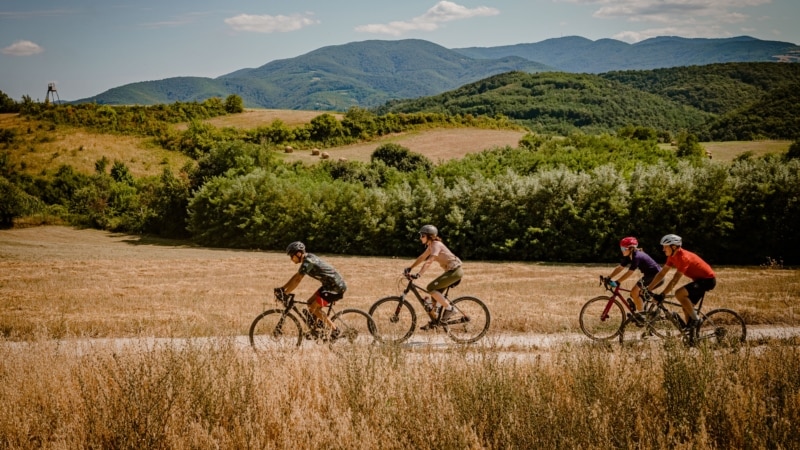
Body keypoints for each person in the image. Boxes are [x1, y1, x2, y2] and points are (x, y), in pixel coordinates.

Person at [278, 241, 347, 339]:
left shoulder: (309, 261)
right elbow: (297, 276)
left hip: (335, 287)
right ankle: (316, 329)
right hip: (329, 286)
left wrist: (285, 293)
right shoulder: (307, 259)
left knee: (313, 308)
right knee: (309, 302)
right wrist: (282, 288)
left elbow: (298, 280)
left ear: (298, 253)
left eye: (291, 256)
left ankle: (335, 330)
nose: (291, 259)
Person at [647, 234, 716, 330]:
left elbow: (675, 279)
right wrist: (648, 288)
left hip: (707, 281)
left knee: (679, 293)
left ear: (674, 247)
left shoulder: (684, 257)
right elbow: (662, 273)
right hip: (699, 281)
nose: (663, 249)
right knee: (686, 308)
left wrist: (662, 294)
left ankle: (697, 320)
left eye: (665, 247)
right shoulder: (672, 256)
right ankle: (691, 335)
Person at [405, 224, 463, 330]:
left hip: (455, 271)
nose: (420, 238)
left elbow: (429, 261)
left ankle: (450, 309)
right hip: (451, 271)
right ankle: (435, 321)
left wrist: (419, 274)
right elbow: (422, 257)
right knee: (434, 295)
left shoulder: (436, 244)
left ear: (429, 236)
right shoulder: (431, 246)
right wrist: (410, 267)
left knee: (430, 288)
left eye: (422, 235)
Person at [606, 236, 662, 317]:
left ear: (631, 248)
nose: (622, 251)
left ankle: (641, 316)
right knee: (634, 294)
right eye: (621, 248)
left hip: (656, 276)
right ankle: (642, 313)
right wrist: (609, 277)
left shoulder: (637, 256)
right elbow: (620, 267)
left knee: (634, 292)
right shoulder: (630, 255)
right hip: (650, 276)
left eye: (624, 249)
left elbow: (630, 272)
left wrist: (618, 282)